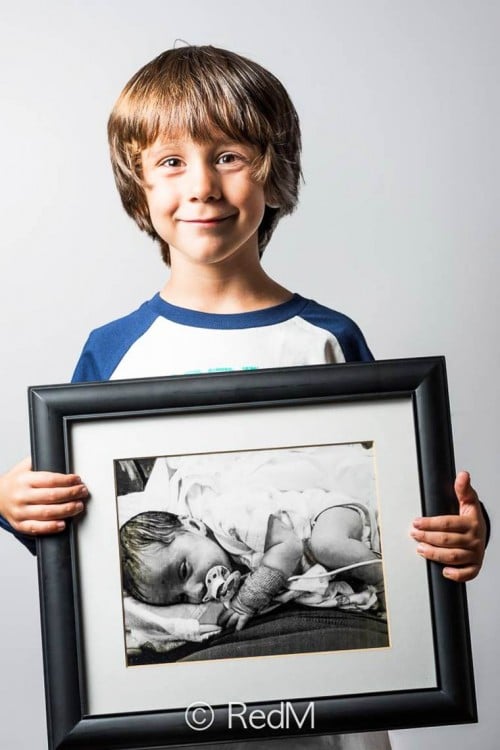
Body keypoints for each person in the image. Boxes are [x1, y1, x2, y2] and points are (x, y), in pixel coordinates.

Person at [0, 45, 488, 750]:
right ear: (138, 187)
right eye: (170, 161)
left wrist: (465, 536)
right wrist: (18, 505)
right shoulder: (113, 350)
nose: (200, 185)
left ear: (275, 174)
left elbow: (404, 488)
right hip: (177, 720)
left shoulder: (326, 337)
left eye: (228, 156)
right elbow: (80, 528)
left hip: (330, 714)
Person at [119, 489, 384, 630]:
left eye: (184, 570)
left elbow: (288, 545)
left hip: (327, 516)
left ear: (192, 526)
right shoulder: (222, 577)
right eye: (181, 598)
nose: (195, 590)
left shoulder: (229, 518)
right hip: (314, 556)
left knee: (327, 546)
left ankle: (387, 582)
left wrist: (251, 597)